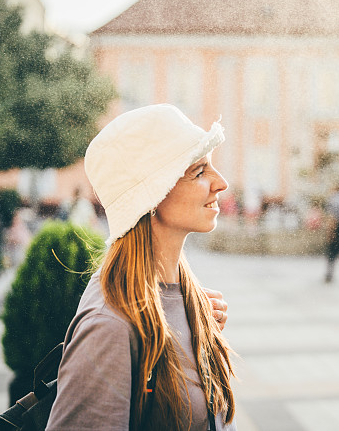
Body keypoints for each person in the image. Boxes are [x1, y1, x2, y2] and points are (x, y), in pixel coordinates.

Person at [46, 104, 235, 431]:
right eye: (199, 171)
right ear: (152, 197)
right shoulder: (109, 327)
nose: (222, 183)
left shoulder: (183, 296)